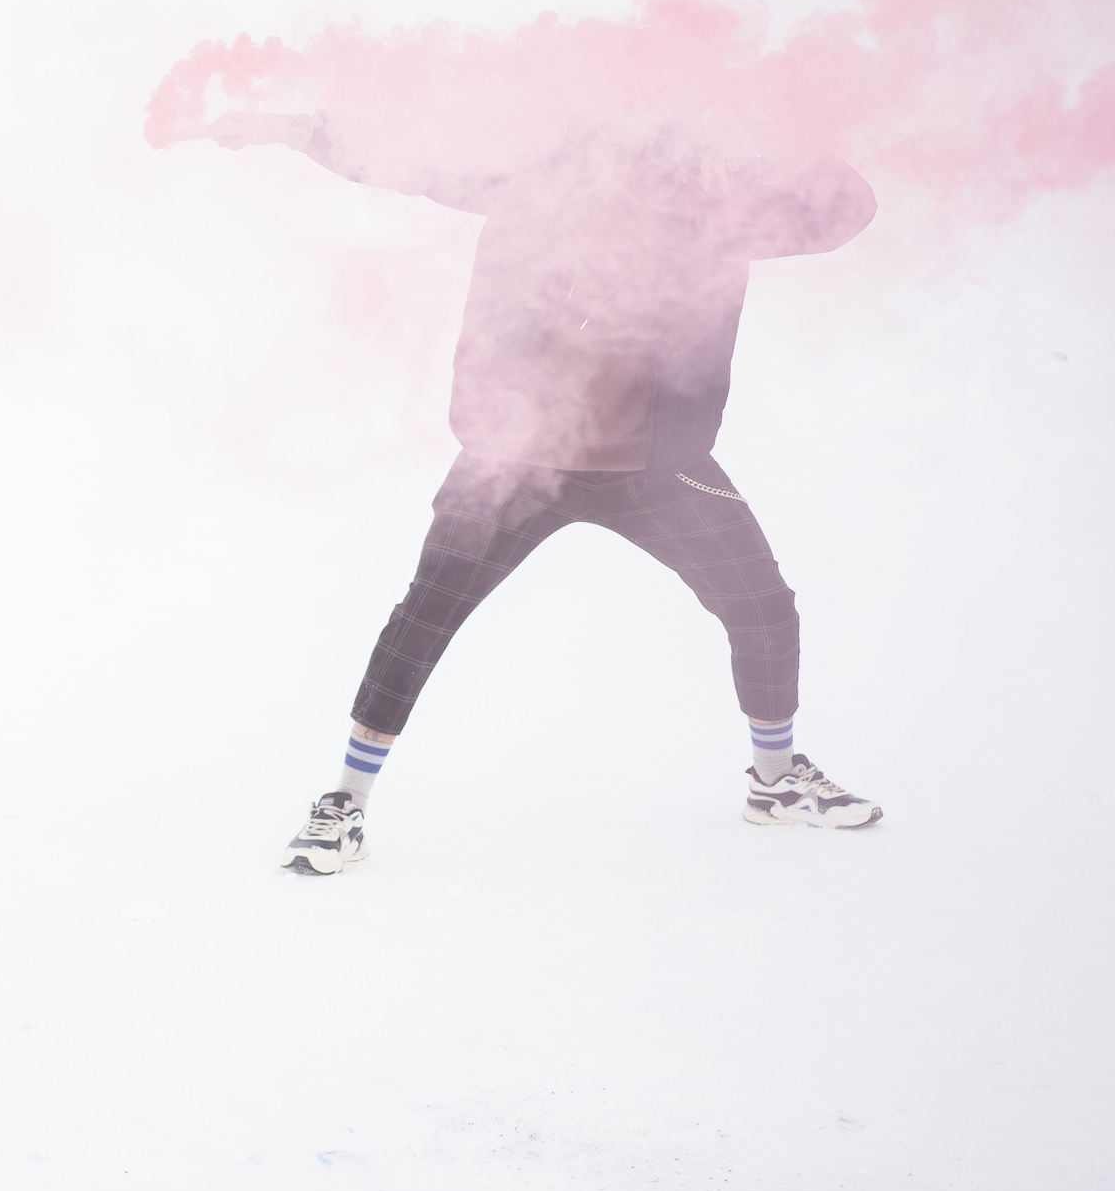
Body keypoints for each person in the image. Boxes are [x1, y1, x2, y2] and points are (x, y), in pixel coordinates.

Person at [174, 107, 884, 875]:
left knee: (763, 605)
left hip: (657, 467)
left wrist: (783, 138)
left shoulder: (715, 198)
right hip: (516, 460)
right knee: (426, 615)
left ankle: (775, 784)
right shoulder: (534, 166)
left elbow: (845, 210)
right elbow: (401, 152)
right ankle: (343, 805)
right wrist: (296, 124)